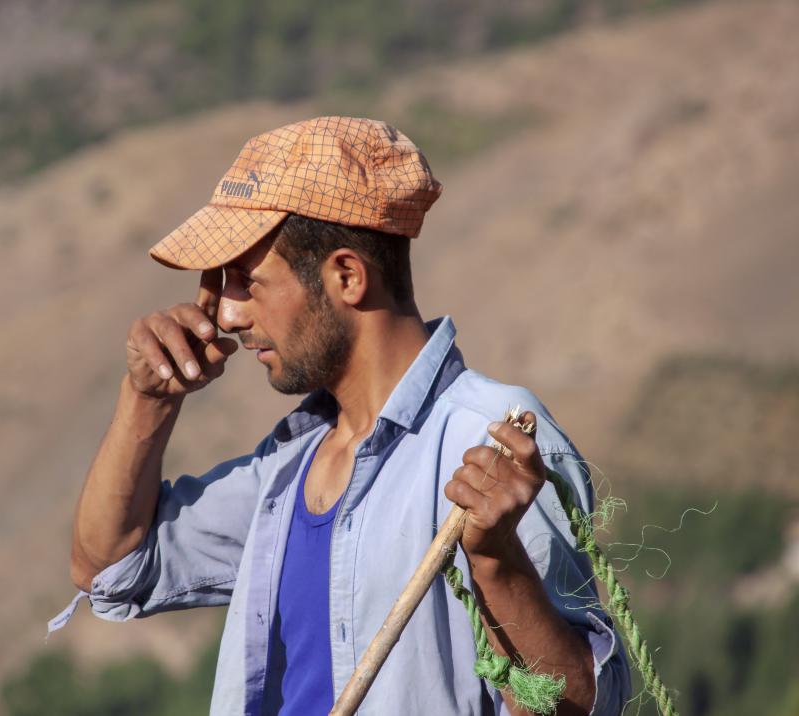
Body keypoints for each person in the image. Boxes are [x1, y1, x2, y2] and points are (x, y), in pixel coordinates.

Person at [49, 116, 630, 715]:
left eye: (247, 280)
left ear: (347, 276)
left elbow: (581, 707)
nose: (226, 315)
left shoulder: (490, 442)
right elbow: (108, 567)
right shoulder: (286, 472)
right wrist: (148, 398)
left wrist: (496, 562)